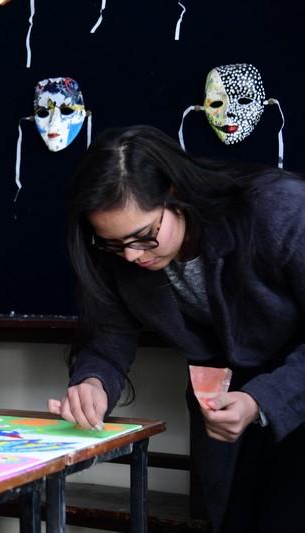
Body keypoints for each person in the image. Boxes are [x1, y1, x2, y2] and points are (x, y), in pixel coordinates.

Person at [50, 125, 305, 532]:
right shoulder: (115, 252)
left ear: (176, 194)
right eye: (113, 243)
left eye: (144, 236)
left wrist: (262, 400)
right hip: (225, 402)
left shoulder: (278, 209)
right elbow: (110, 336)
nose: (131, 256)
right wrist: (93, 382)